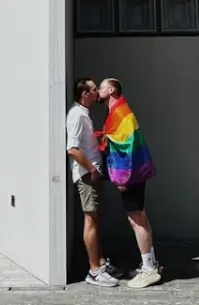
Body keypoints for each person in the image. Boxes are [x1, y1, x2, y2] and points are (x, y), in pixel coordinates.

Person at [97, 78, 162, 289]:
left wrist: (122, 177)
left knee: (136, 219)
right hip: (134, 174)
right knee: (139, 215)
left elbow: (126, 146)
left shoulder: (120, 112)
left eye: (101, 87)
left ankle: (149, 270)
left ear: (112, 89)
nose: (98, 90)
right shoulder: (117, 110)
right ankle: (150, 263)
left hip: (131, 175)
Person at [66, 78, 121, 287]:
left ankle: (100, 263)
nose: (97, 92)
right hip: (87, 177)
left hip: (93, 175)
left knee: (96, 220)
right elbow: (72, 149)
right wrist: (91, 170)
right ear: (84, 94)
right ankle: (94, 272)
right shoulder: (77, 116)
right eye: (93, 89)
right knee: (90, 220)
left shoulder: (83, 114)